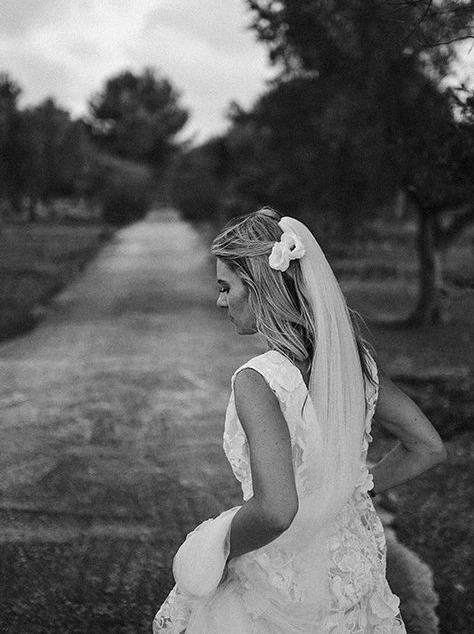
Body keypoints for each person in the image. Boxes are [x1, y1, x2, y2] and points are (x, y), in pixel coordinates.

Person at [153, 208, 446, 633]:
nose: (220, 301)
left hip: (280, 584)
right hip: (353, 573)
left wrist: (218, 546)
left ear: (257, 287)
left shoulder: (259, 381)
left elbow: (275, 511)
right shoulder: (352, 365)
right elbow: (428, 447)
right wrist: (347, 488)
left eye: (225, 287)